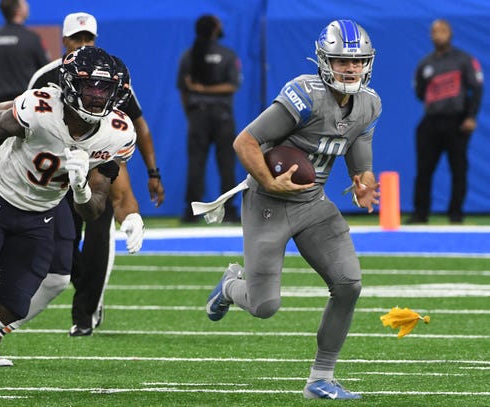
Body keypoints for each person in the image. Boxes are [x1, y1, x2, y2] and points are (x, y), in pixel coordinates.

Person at [204, 20, 380, 400]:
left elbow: (358, 153)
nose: (349, 69)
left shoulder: (369, 103)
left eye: (357, 61)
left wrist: (363, 182)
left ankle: (321, 378)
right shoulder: (305, 95)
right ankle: (231, 287)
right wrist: (268, 181)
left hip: (312, 203)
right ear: (323, 61)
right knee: (264, 306)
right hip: (267, 202)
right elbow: (245, 141)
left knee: (349, 284)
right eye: (340, 61)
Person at [0, 54, 145, 367]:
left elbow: (100, 196)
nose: (96, 95)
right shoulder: (42, 101)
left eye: (104, 89)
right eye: (89, 86)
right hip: (5, 190)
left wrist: (92, 191)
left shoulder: (117, 130)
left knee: (33, 292)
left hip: (49, 203)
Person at [28, 12, 165, 337]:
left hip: (98, 168)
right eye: (77, 39)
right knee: (64, 252)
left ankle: (85, 314)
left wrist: (152, 171)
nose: (84, 44)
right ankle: (79, 289)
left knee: (98, 237)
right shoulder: (46, 77)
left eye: (89, 38)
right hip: (56, 174)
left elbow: (137, 125)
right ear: (65, 41)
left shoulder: (111, 76)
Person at [407, 19, 483, 224]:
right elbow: (420, 92)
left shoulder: (463, 60)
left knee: (458, 169)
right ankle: (420, 214)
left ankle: (455, 214)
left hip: (457, 122)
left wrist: (471, 117)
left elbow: (476, 89)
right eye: (434, 31)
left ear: (450, 33)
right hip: (431, 121)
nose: (437, 35)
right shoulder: (426, 63)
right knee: (424, 170)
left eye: (441, 31)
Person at [177, 14, 242, 223]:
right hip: (222, 115)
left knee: (196, 162)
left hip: (198, 114)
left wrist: (193, 110)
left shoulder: (189, 55)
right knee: (226, 163)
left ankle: (191, 211)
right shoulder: (228, 55)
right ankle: (230, 210)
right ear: (215, 29)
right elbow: (232, 85)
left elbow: (183, 90)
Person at [0, 0, 50, 153]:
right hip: (24, 105)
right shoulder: (32, 38)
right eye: (24, 3)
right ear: (18, 10)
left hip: (0, 104)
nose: (28, 5)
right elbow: (45, 69)